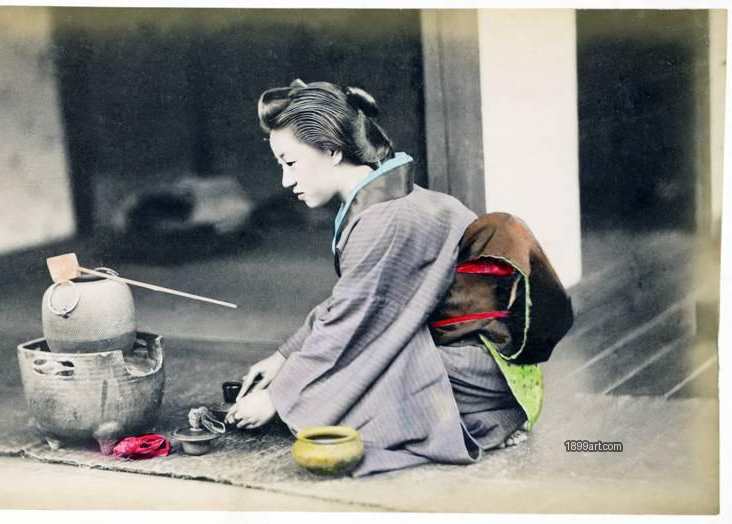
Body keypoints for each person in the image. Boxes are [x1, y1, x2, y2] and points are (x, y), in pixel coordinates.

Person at [225, 79, 549, 476]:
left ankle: (490, 415)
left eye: (290, 163)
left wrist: (278, 395)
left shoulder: (387, 219)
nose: (285, 181)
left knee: (354, 385)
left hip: (480, 372)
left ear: (331, 150)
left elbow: (353, 322)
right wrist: (284, 356)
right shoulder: (384, 203)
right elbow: (353, 301)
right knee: (343, 373)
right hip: (474, 357)